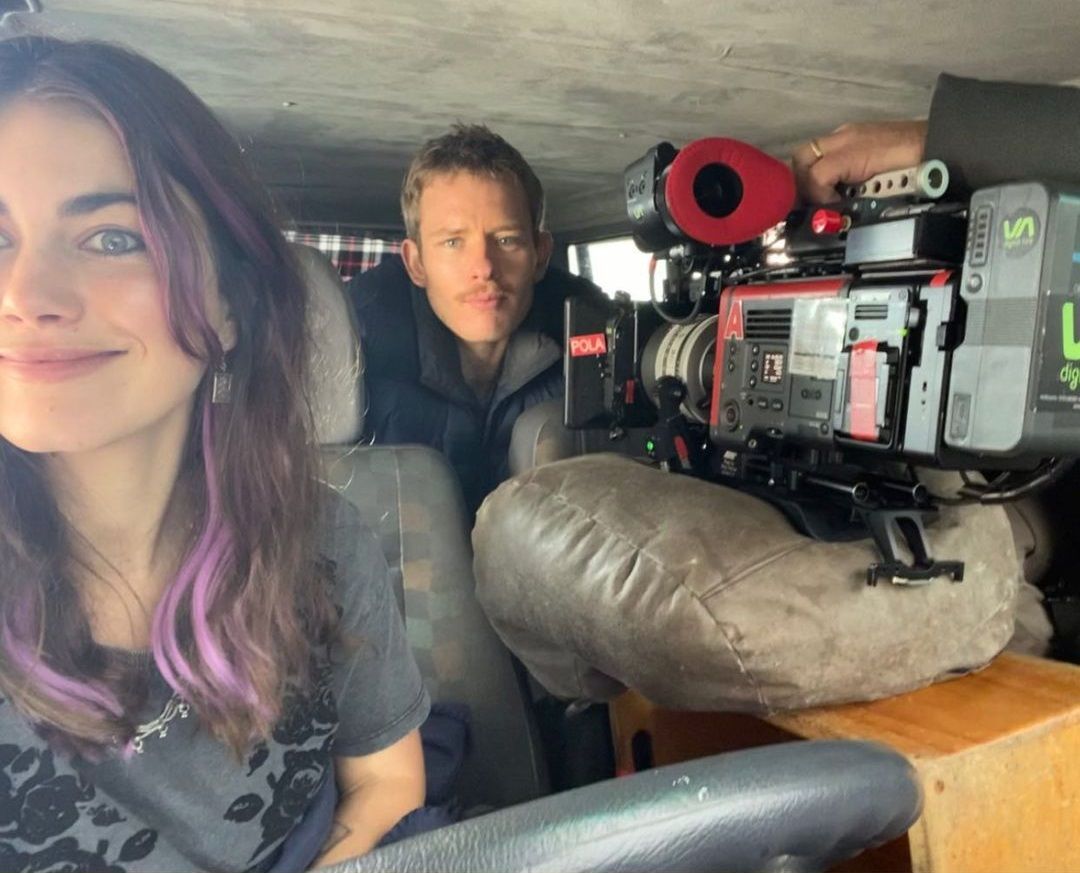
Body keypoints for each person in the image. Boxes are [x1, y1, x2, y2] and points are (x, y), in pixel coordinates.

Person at [0, 36, 429, 872]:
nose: (27, 296)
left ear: (231, 307)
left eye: (112, 238)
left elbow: (387, 778)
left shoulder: (321, 540)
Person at [348, 125, 602, 512]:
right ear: (417, 264)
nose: (484, 268)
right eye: (453, 242)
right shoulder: (352, 351)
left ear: (540, 255)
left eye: (506, 240)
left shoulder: (593, 344)